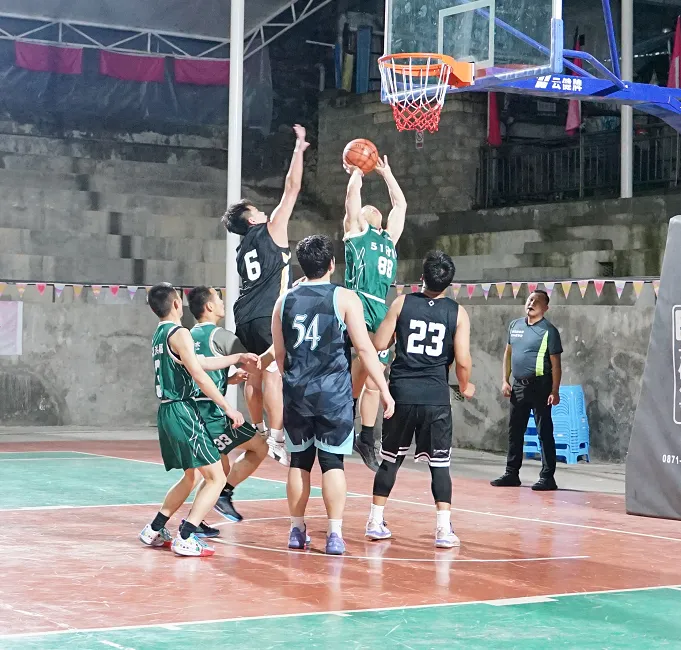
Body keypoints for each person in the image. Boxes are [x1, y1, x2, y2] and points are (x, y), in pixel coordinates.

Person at [271, 234, 395, 555]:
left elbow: (280, 356)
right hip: (333, 395)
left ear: (302, 265)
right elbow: (365, 350)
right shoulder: (345, 298)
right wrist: (384, 390)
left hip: (298, 393)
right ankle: (335, 534)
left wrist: (295, 381)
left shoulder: (283, 302)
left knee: (299, 462)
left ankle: (297, 530)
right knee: (332, 463)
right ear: (331, 264)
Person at [139, 283, 258, 557]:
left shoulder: (160, 334)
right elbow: (199, 374)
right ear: (176, 304)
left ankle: (154, 529)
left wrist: (236, 357)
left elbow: (200, 362)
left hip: (167, 411)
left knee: (191, 476)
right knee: (217, 477)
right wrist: (228, 407)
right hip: (183, 410)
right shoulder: (179, 333)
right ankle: (186, 536)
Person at [367, 251, 474, 548]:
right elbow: (463, 360)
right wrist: (465, 386)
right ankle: (443, 529)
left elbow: (379, 343)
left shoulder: (402, 303)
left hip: (401, 393)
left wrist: (395, 336)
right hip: (435, 397)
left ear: (422, 277)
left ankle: (375, 521)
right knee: (440, 464)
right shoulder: (457, 313)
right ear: (449, 283)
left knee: (390, 459)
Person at [222, 124, 310, 467]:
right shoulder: (272, 229)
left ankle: (258, 429)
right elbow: (292, 188)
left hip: (243, 315)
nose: (262, 211)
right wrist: (299, 149)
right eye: (257, 210)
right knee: (273, 373)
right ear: (252, 220)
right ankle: (276, 438)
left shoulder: (241, 250)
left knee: (253, 375)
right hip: (267, 315)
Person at [343, 157, 407, 471]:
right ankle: (355, 426)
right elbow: (352, 199)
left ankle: (364, 433)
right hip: (355, 303)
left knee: (372, 373)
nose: (372, 208)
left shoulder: (387, 238)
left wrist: (387, 173)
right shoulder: (357, 232)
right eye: (368, 208)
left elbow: (400, 206)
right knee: (368, 365)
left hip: (380, 307)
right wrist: (357, 172)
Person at [188, 286, 271, 524]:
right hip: (213, 413)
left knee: (217, 471)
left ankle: (196, 522)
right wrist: (277, 348)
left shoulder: (187, 336)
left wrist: (228, 379)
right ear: (209, 306)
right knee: (259, 447)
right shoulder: (221, 336)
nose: (222, 303)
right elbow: (253, 364)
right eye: (218, 299)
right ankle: (222, 496)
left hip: (191, 411)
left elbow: (198, 373)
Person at [491, 290, 563, 491]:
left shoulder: (549, 331)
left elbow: (556, 364)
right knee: (515, 431)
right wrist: (505, 381)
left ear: (545, 308)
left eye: (536, 301)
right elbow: (508, 354)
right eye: (530, 299)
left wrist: (554, 390)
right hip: (518, 386)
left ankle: (547, 477)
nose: (531, 303)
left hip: (540, 386)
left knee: (544, 431)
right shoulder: (515, 325)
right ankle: (511, 473)